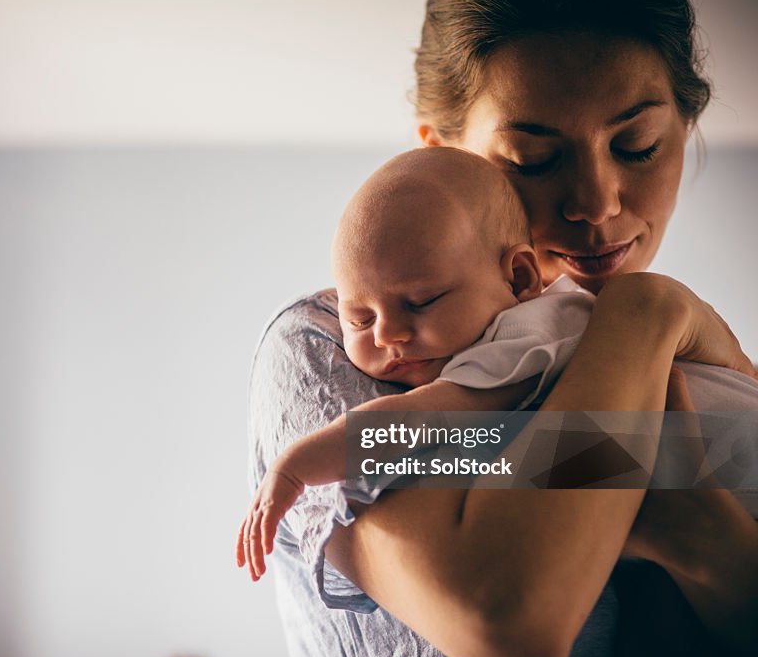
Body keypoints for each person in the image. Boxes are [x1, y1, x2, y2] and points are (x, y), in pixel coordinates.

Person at [245, 0, 758, 657]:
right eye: (534, 158)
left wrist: (700, 534)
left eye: (638, 145)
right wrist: (646, 313)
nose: (598, 204)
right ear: (447, 157)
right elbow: (510, 622)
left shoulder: (680, 360)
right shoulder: (334, 344)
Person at [236, 147, 758, 584]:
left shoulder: (528, 334)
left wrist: (296, 466)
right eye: (359, 318)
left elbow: (421, 420)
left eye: (422, 301)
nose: (389, 334)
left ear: (520, 278)